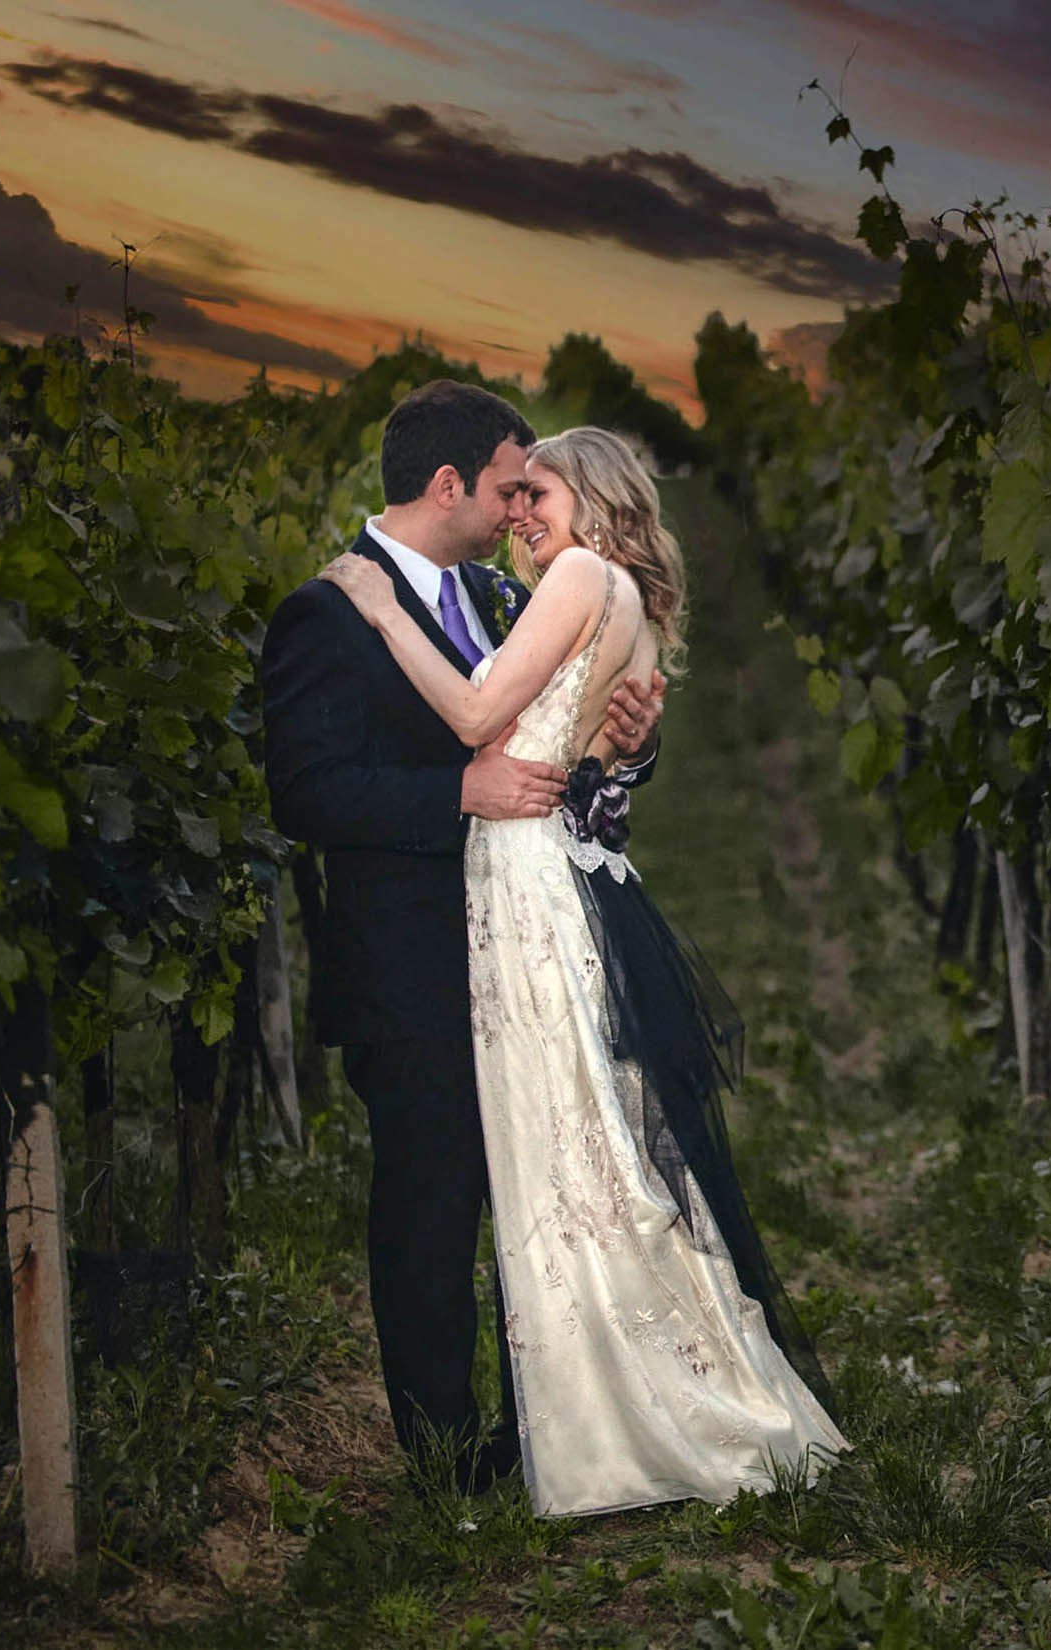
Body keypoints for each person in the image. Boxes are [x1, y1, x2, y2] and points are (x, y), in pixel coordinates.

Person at [318, 425, 848, 1517]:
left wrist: (378, 608)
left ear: (595, 498)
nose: (521, 514)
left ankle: (612, 1418)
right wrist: (628, 746)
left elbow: (478, 716)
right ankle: (616, 1400)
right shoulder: (623, 601)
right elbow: (595, 761)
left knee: (567, 1144)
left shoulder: (575, 578)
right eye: (515, 497)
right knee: (582, 1142)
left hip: (525, 880)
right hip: (540, 872)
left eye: (540, 493)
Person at [261, 383, 664, 1492]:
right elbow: (305, 793)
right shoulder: (326, 612)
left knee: (540, 1188)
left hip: (525, 946)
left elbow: (563, 736)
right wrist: (457, 793)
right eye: (505, 489)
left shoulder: (504, 592)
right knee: (431, 1208)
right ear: (448, 485)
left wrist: (629, 747)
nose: (518, 511)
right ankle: (445, 1460)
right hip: (410, 964)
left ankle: (550, 1427)